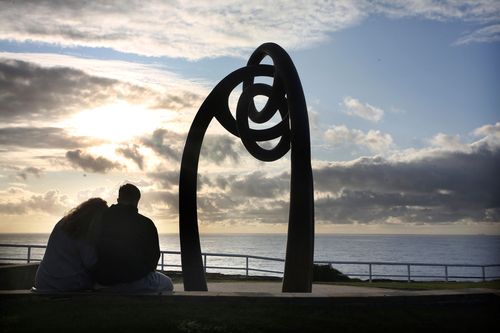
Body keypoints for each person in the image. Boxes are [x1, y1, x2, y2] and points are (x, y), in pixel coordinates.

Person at [93, 183, 173, 292]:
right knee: (167, 283)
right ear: (137, 201)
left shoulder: (100, 219)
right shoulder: (146, 223)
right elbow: (153, 257)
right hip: (135, 281)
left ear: (118, 199)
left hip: (103, 281)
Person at [34, 198, 108, 291]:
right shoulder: (85, 231)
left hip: (44, 281)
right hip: (67, 285)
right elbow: (91, 263)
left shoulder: (64, 222)